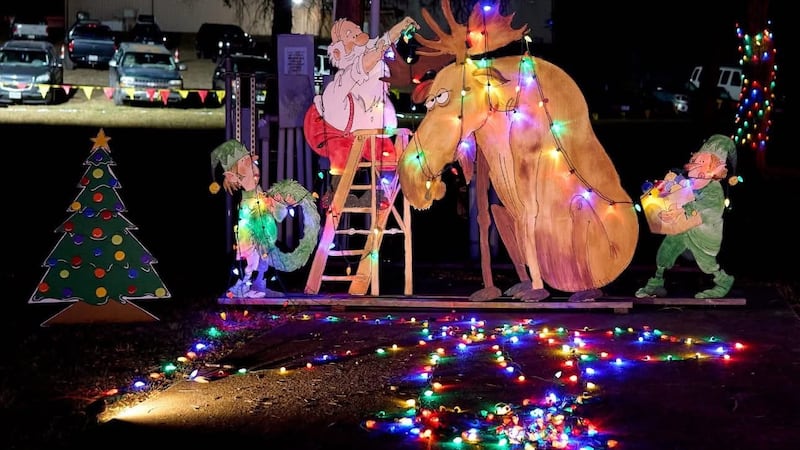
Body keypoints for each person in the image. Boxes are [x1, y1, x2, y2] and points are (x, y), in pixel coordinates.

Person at [303, 15, 420, 202]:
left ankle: (381, 193)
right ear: (342, 49)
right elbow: (365, 64)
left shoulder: (371, 54)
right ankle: (339, 193)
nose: (358, 32)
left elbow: (383, 42)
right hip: (340, 125)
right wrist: (381, 48)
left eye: (357, 29)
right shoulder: (350, 71)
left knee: (386, 153)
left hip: (367, 122)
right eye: (351, 34)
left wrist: (400, 26)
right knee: (342, 156)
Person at [636, 134, 738, 299]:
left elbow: (708, 211)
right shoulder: (692, 181)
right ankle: (656, 282)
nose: (696, 164)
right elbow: (680, 191)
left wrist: (683, 209)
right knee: (665, 252)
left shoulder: (714, 189)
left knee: (707, 263)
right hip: (683, 228)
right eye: (697, 160)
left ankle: (723, 281)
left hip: (702, 234)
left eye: (703, 162)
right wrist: (669, 183)